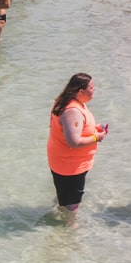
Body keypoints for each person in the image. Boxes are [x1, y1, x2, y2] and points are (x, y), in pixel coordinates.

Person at [47, 72, 107, 217]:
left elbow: (71, 129)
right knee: (73, 202)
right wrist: (96, 137)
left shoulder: (65, 100)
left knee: (63, 193)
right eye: (92, 88)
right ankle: (71, 227)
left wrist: (93, 128)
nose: (95, 90)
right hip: (71, 166)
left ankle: (57, 210)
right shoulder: (72, 111)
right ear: (81, 91)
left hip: (61, 160)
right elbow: (73, 142)